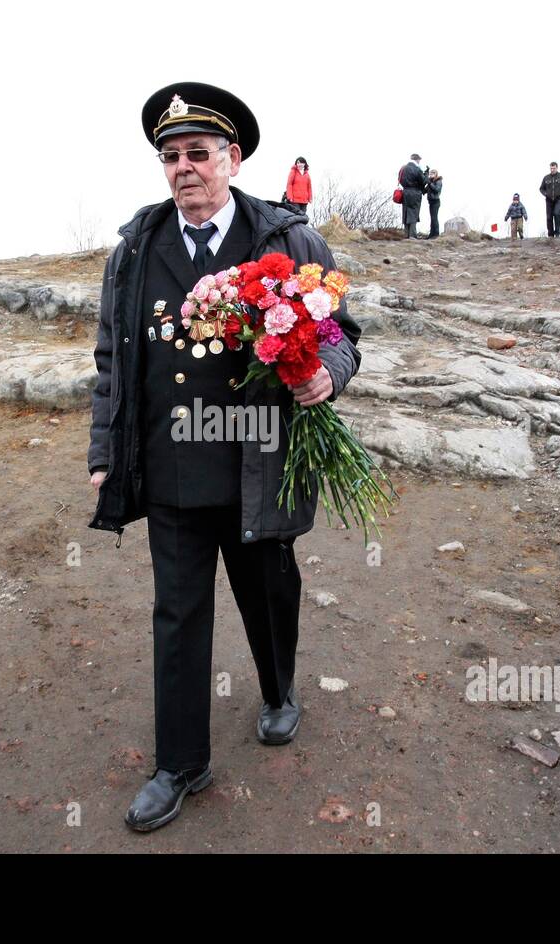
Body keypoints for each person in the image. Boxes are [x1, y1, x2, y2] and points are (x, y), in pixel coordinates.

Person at [88, 82, 361, 833]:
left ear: (232, 159)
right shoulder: (136, 251)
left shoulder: (290, 242)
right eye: (171, 157)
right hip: (173, 466)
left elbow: (345, 337)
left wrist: (322, 377)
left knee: (268, 598)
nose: (185, 169)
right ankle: (180, 762)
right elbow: (112, 358)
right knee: (176, 615)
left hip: (258, 464)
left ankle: (278, 691)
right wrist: (105, 450)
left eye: (199, 154)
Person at [539, 161, 560, 237]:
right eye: (551, 168)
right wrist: (545, 194)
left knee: (556, 214)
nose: (552, 170)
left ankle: (557, 233)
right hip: (549, 200)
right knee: (549, 217)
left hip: (558, 199)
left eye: (554, 168)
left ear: (557, 168)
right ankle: (550, 234)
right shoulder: (546, 178)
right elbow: (541, 188)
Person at [399, 153, 427, 239]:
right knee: (413, 213)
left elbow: (400, 180)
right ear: (417, 159)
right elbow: (424, 181)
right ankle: (412, 235)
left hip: (405, 192)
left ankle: (406, 234)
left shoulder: (403, 168)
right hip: (414, 192)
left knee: (406, 212)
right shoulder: (416, 169)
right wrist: (426, 174)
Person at [424, 169, 443, 238]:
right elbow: (424, 190)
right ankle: (431, 234)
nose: (431, 174)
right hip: (431, 202)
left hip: (436, 201)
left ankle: (436, 234)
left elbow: (436, 189)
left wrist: (429, 183)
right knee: (432, 218)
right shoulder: (430, 182)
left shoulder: (438, 181)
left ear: (436, 174)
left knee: (434, 218)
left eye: (433, 173)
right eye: (430, 173)